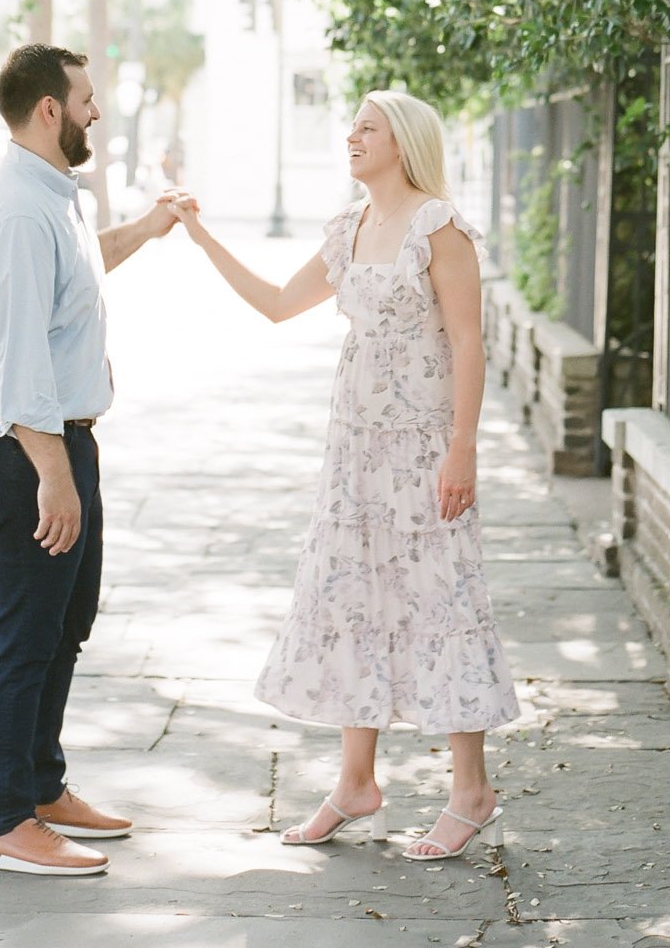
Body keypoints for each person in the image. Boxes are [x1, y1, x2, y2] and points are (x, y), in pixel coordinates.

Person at [170, 89, 520, 862]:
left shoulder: (440, 227)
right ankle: (356, 782)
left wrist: (463, 449)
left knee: (444, 599)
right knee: (352, 596)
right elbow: (273, 304)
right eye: (353, 126)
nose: (351, 136)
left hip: (424, 450)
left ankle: (471, 790)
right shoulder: (349, 228)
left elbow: (469, 342)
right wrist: (199, 235)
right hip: (355, 454)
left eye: (368, 127)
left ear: (404, 142)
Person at [0, 42, 182, 878]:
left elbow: (77, 277)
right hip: (16, 448)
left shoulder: (52, 195)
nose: (95, 113)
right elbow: (14, 364)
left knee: (64, 625)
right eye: (85, 100)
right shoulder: (12, 207)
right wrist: (53, 474)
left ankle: (40, 787)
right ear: (50, 108)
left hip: (56, 441)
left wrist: (149, 229)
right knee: (25, 633)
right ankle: (1, 819)